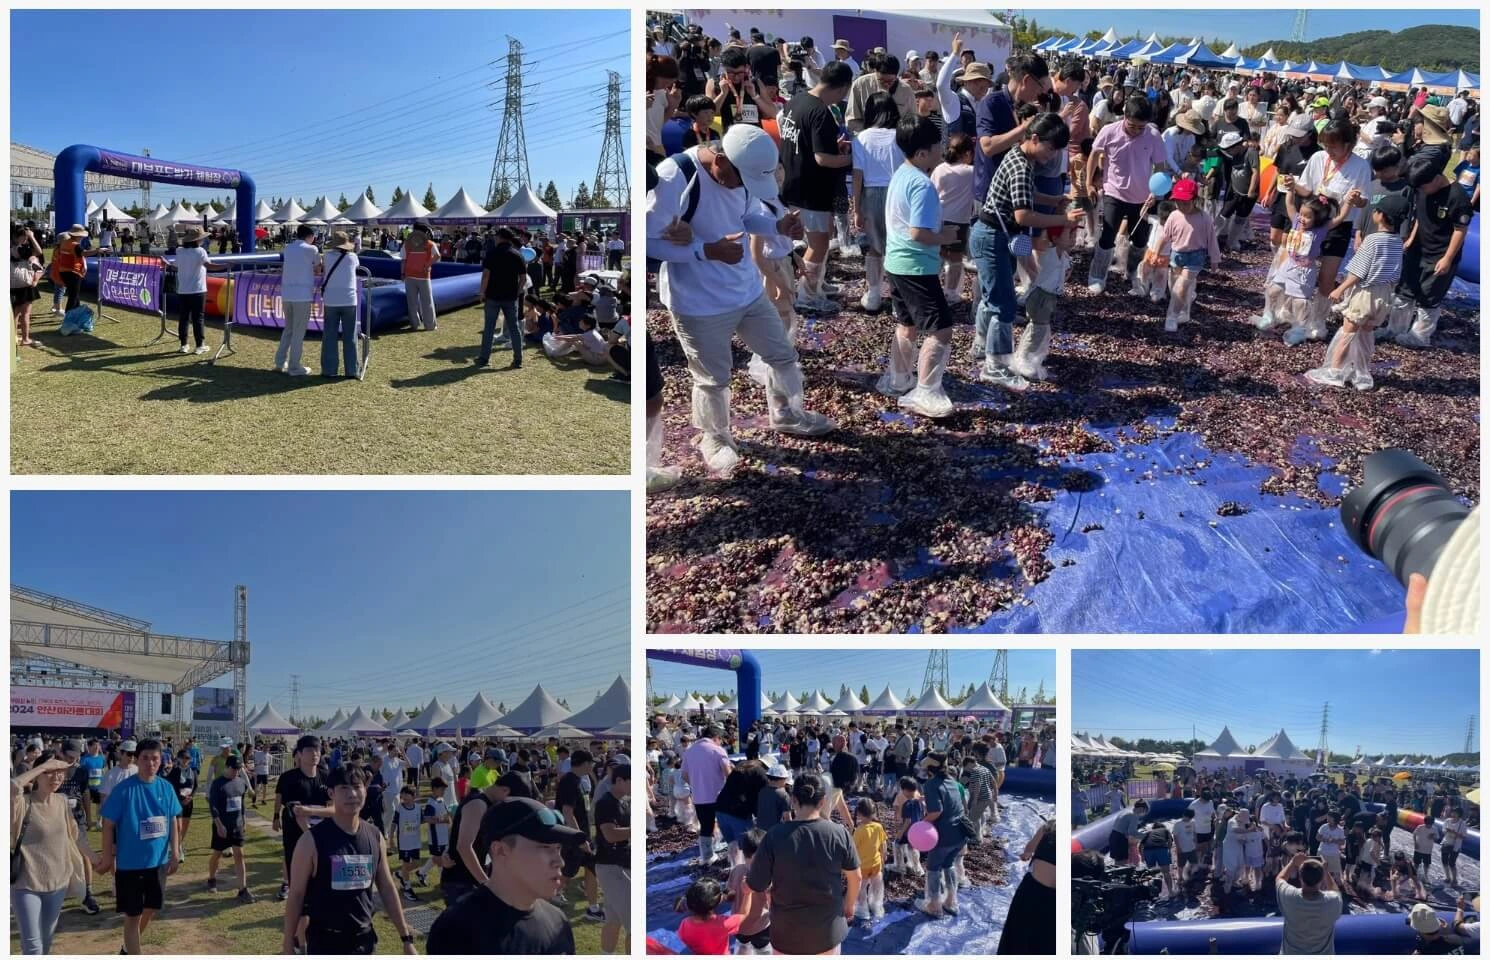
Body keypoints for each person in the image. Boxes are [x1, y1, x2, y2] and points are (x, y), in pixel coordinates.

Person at [647, 122, 835, 477]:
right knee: (712, 378)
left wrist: (776, 227)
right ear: (720, 160)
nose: (741, 188)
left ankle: (787, 412)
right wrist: (706, 251)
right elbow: (645, 240)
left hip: (747, 290)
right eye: (739, 179)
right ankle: (713, 438)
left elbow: (746, 217)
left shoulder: (740, 177)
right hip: (698, 303)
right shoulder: (676, 175)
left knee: (782, 354)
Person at [971, 112, 1084, 390]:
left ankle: (981, 345)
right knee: (1003, 304)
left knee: (992, 295)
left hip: (994, 234)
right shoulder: (1021, 165)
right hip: (993, 235)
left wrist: (1053, 199)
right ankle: (995, 365)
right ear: (1034, 139)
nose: (1052, 155)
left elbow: (1025, 195)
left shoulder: (1020, 157)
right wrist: (1062, 220)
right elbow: (1023, 215)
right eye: (1050, 148)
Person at [282, 763, 416, 955]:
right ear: (331, 793)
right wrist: (288, 944)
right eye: (344, 788)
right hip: (326, 942)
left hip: (365, 940)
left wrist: (406, 938)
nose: (352, 794)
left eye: (357, 787)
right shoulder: (311, 842)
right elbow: (296, 896)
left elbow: (386, 887)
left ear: (365, 790)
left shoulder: (375, 836)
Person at [425, 797, 580, 952]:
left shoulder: (558, 923)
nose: (560, 862)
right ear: (500, 850)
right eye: (545, 847)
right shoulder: (457, 931)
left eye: (558, 848)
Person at [746, 775, 860, 955]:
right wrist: (849, 906)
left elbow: (757, 884)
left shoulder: (774, 836)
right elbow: (856, 877)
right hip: (828, 931)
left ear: (793, 800)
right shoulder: (839, 833)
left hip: (786, 933)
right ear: (822, 802)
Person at [1305, 190, 1408, 390]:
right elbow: (1396, 273)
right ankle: (1361, 373)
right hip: (1383, 294)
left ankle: (1334, 372)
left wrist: (1340, 289)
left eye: (1376, 210)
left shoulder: (1372, 240)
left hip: (1365, 294)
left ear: (1380, 215)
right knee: (1366, 334)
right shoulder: (1397, 242)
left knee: (1348, 332)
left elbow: (1358, 272)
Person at [779, 60, 854, 313]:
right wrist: (851, 159)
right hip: (811, 190)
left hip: (793, 182)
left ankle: (817, 283)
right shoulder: (821, 112)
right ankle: (807, 296)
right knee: (818, 244)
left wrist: (835, 146)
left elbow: (807, 141)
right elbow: (822, 159)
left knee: (817, 240)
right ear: (843, 87)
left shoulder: (797, 100)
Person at [96, 738, 182, 956]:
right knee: (132, 916)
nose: (150, 763)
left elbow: (172, 819)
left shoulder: (166, 787)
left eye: (155, 758)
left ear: (161, 760)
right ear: (137, 759)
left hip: (158, 863)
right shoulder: (124, 790)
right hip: (130, 865)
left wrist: (176, 851)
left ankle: (127, 947)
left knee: (151, 908)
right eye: (145, 758)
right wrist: (107, 858)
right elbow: (108, 824)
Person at [1086, 96, 1169, 293]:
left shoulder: (1153, 135)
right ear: (1124, 116)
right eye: (1133, 126)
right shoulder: (1109, 131)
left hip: (1141, 197)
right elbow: (1094, 155)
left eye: (1142, 127)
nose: (1137, 131)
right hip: (1113, 192)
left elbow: (1159, 166)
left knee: (1140, 240)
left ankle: (1132, 273)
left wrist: (1155, 193)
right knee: (1107, 236)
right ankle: (1097, 275)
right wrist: (1089, 183)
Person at [1394, 151, 1474, 348]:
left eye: (1423, 186)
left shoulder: (1457, 197)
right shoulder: (1422, 190)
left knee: (1428, 296)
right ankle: (1395, 328)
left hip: (1439, 253)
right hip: (1418, 248)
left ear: (1436, 178)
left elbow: (1460, 230)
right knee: (1405, 290)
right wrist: (1411, 238)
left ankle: (1419, 336)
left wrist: (1447, 258)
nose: (1421, 190)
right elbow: (1420, 216)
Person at [11, 754, 84, 955]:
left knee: (46, 941)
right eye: (49, 773)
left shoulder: (62, 801)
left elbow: (75, 837)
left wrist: (97, 860)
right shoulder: (22, 802)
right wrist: (43, 766)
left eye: (60, 773)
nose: (56, 778)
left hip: (57, 883)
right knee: (33, 946)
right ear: (38, 775)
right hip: (26, 883)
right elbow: (13, 786)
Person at [850, 92, 905, 313]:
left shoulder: (861, 138)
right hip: (897, 192)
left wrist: (856, 209)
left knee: (874, 247)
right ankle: (897, 298)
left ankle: (873, 294)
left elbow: (857, 176)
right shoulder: (899, 135)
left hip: (871, 193)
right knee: (896, 246)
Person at [273, 734, 333, 924]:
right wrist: (310, 834)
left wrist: (313, 813)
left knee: (320, 883)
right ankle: (297, 932)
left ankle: (316, 921)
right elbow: (296, 812)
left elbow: (334, 808)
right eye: (309, 750)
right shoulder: (290, 778)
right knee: (298, 886)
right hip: (297, 836)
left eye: (317, 749)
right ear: (299, 754)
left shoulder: (326, 776)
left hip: (322, 837)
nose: (315, 754)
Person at [1156, 177, 1223, 331]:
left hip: (1195, 257)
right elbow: (1164, 236)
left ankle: (1172, 316)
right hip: (1177, 255)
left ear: (1194, 200)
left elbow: (1212, 239)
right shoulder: (1174, 215)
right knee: (1174, 287)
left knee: (1181, 286)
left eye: (1185, 202)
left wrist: (1215, 258)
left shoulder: (1204, 218)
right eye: (1178, 202)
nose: (1181, 206)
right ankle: (1184, 309)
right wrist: (1157, 252)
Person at [916, 752, 967, 918]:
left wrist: (922, 823)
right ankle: (951, 901)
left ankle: (934, 905)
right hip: (960, 834)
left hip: (943, 836)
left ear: (930, 769)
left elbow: (936, 811)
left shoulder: (930, 784)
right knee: (949, 865)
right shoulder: (952, 781)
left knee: (933, 869)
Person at [997, 818, 1055, 954]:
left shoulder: (1049, 827)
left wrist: (1027, 854)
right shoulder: (1050, 828)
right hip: (1050, 897)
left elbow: (1029, 849)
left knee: (1019, 933)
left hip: (1031, 890)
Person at [476, 227, 527, 369]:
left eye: (496, 236)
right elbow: (523, 277)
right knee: (514, 328)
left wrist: (482, 292)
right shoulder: (517, 255)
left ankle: (484, 359)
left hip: (492, 295)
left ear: (499, 237)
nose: (494, 238)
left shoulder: (492, 253)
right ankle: (518, 360)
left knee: (489, 328)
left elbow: (486, 275)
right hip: (510, 296)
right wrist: (518, 290)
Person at [593, 764, 631, 954]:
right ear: (620, 781)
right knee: (634, 926)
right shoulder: (605, 803)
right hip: (611, 866)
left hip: (621, 864)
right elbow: (609, 834)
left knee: (613, 920)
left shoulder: (624, 801)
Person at [206, 754, 254, 902]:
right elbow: (213, 807)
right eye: (234, 769)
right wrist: (219, 825)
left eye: (239, 769)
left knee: (239, 855)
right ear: (227, 767)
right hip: (222, 826)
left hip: (237, 826)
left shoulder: (240, 783)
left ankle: (242, 889)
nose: (236, 772)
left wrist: (244, 821)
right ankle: (212, 878)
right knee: (217, 854)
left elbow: (242, 804)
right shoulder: (218, 784)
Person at [273, 224, 320, 374]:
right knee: (298, 332)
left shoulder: (288, 248)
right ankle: (294, 366)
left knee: (288, 329)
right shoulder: (312, 249)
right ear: (310, 236)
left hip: (287, 294)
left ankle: (280, 362)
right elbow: (318, 269)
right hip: (302, 295)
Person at [1276, 852, 1341, 953]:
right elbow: (1335, 890)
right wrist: (1325, 872)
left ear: (1300, 877)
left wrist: (1293, 862)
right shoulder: (1332, 901)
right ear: (1321, 879)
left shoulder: (1289, 897)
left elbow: (1280, 879)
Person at [317, 230, 361, 378]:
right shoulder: (353, 257)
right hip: (349, 299)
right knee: (350, 336)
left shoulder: (327, 257)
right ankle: (352, 370)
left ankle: (329, 370)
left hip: (331, 300)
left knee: (329, 335)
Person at [851, 798, 888, 920]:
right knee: (876, 886)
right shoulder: (878, 827)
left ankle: (863, 910)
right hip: (876, 863)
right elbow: (883, 845)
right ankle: (876, 906)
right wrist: (883, 858)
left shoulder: (859, 831)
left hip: (863, 866)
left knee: (862, 888)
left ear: (859, 814)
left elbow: (853, 849)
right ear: (873, 813)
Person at [402, 222, 441, 332]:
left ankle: (415, 325)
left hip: (410, 276)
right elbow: (438, 256)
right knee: (427, 301)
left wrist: (402, 274)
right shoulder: (429, 244)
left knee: (412, 302)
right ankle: (430, 326)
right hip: (424, 276)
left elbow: (403, 260)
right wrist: (427, 265)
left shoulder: (407, 244)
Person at [11, 224, 45, 347]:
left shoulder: (13, 248)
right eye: (24, 237)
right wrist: (32, 236)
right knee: (20, 314)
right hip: (22, 285)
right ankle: (22, 338)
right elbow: (39, 251)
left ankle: (17, 338)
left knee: (17, 314)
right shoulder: (18, 249)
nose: (26, 239)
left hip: (17, 284)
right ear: (16, 236)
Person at [164, 747, 197, 863]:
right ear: (178, 759)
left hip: (189, 802)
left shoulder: (192, 771)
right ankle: (176, 849)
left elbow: (195, 786)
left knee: (185, 826)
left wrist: (191, 796)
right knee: (178, 827)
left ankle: (179, 845)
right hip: (178, 802)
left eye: (188, 758)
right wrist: (181, 799)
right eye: (183, 758)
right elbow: (171, 787)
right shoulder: (175, 771)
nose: (185, 760)